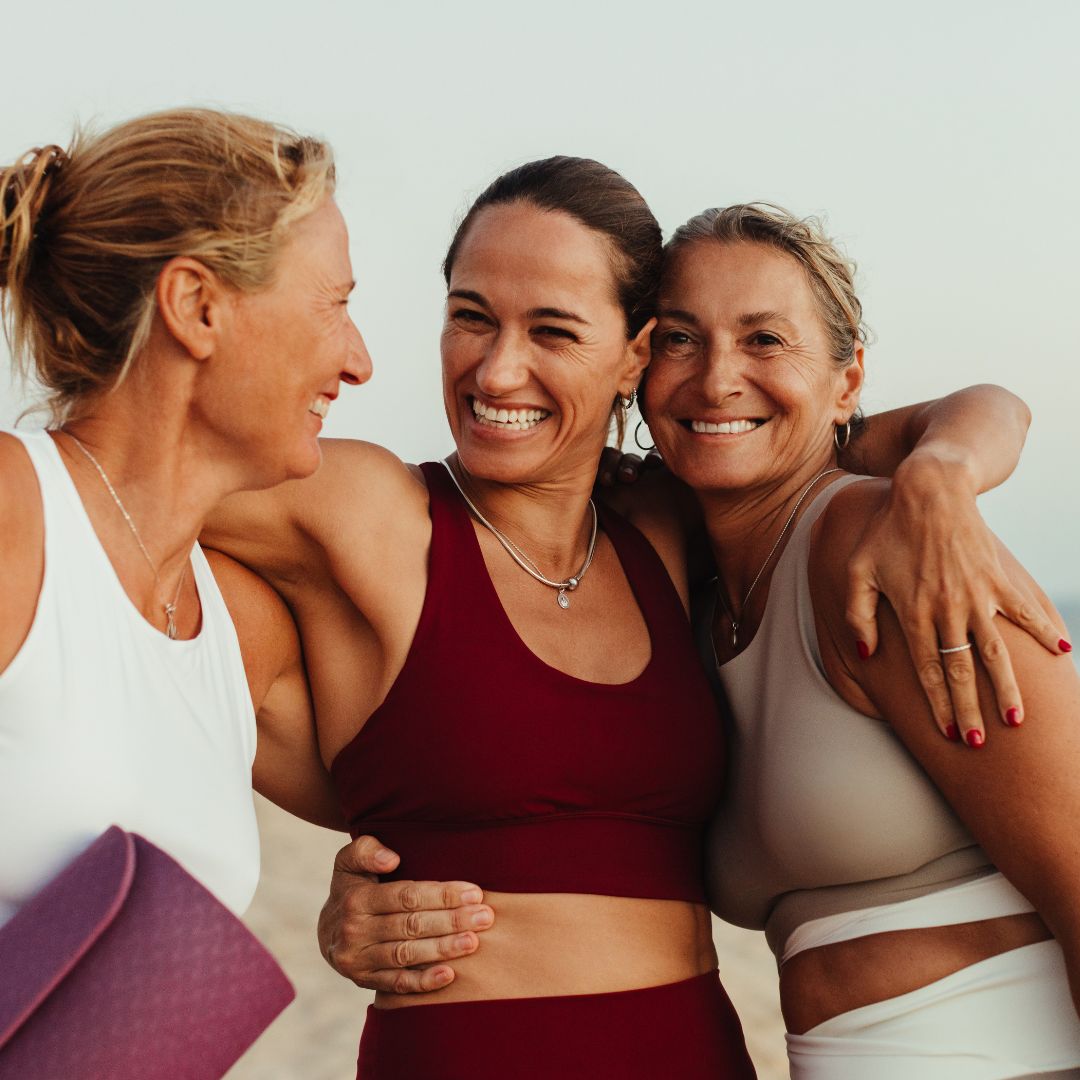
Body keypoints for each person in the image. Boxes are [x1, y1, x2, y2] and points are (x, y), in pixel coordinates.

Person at [205, 157, 1056, 1077]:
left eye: (555, 330)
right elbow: (129, 485)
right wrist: (368, 886)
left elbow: (897, 420)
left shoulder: (740, 527)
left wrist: (945, 471)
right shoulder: (381, 507)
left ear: (630, 356)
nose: (499, 368)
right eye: (470, 316)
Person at [642, 203, 1080, 1076]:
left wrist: (946, 465)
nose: (717, 378)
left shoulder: (881, 544)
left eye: (765, 339)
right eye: (679, 338)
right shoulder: (681, 569)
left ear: (848, 382)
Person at [0, 108, 369, 925]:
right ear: (197, 305)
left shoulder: (239, 629)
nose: (359, 360)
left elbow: (433, 813)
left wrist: (365, 917)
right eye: (332, 305)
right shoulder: (14, 517)